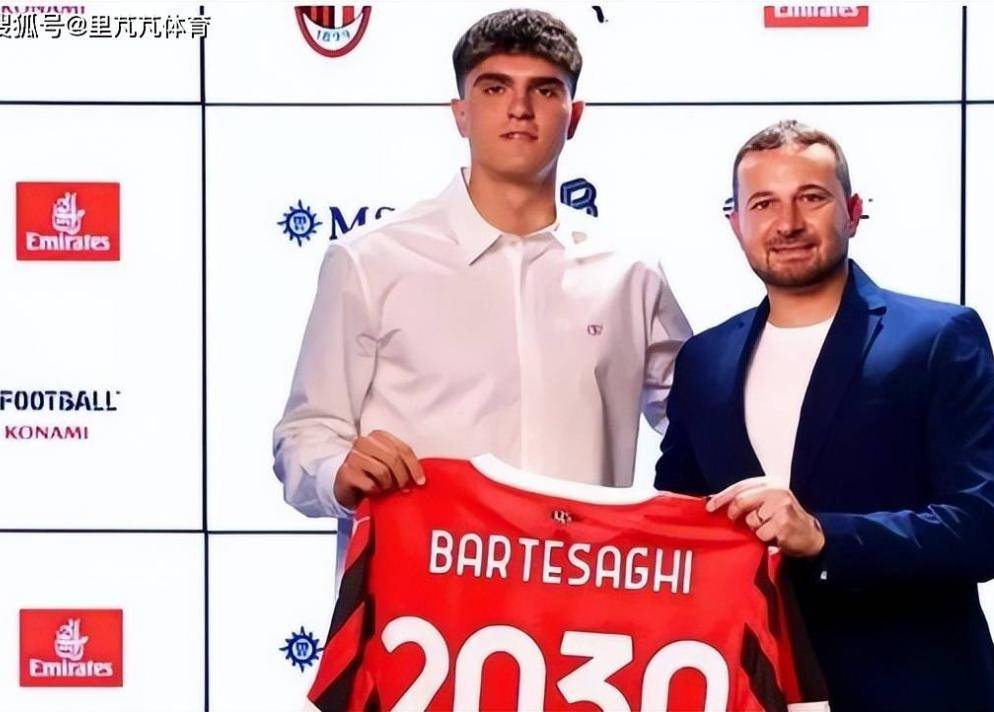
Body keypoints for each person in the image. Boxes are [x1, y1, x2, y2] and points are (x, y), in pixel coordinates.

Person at [274, 8, 690, 582]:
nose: (519, 108)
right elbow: (305, 437)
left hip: (581, 598)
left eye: (544, 90)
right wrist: (338, 470)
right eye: (495, 88)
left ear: (574, 116)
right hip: (418, 602)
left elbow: (699, 428)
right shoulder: (370, 261)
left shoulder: (631, 273)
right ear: (461, 113)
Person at [654, 120, 994, 711]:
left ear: (852, 212)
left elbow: (981, 531)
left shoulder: (938, 337)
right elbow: (679, 529)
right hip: (755, 692)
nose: (788, 223)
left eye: (812, 198)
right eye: (764, 203)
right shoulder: (704, 361)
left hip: (916, 693)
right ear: (736, 223)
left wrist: (825, 535)